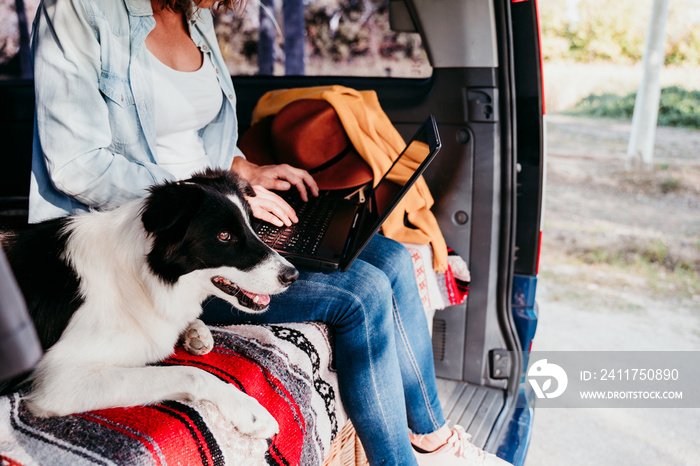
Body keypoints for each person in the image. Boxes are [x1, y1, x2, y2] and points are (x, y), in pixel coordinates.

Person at [29, 1, 509, 465]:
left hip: (215, 208)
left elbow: (191, 135)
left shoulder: (195, 14)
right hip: (155, 243)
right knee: (361, 293)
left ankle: (433, 439)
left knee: (390, 257)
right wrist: (214, 200)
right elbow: (78, 167)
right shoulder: (80, 8)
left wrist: (244, 175)